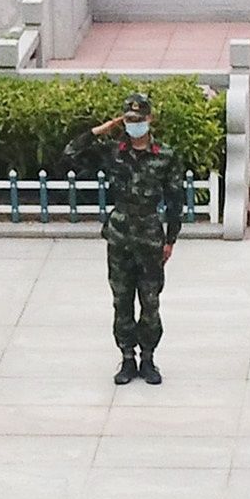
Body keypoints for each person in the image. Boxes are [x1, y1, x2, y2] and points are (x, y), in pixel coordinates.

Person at [63, 90, 192, 385]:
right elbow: (70, 154)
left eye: (139, 119)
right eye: (129, 119)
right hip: (120, 236)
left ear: (150, 119)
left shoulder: (166, 156)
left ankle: (148, 359)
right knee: (121, 301)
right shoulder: (113, 151)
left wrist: (171, 238)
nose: (135, 124)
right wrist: (101, 129)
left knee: (150, 301)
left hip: (149, 236)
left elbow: (175, 200)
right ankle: (126, 358)